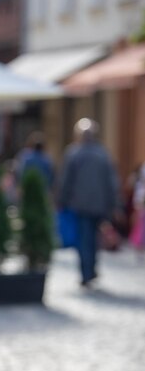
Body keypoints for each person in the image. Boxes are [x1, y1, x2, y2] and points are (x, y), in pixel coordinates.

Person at [58, 118, 119, 287]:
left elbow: (66, 181)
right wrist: (113, 204)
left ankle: (86, 271)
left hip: (80, 204)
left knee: (84, 238)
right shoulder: (102, 154)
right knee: (92, 237)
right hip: (99, 205)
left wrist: (62, 200)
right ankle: (90, 269)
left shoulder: (74, 153)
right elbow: (112, 182)